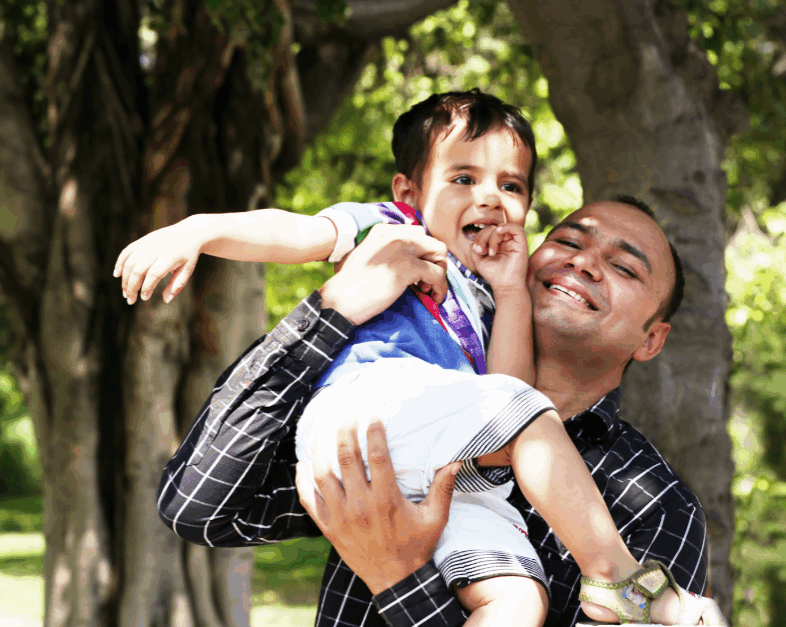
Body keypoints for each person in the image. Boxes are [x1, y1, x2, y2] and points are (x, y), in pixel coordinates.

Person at [116, 98, 723, 624]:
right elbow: (202, 505)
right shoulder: (397, 235)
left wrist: (398, 577)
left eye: (622, 267)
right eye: (568, 241)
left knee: (518, 603)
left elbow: (502, 401)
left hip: (460, 461)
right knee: (526, 414)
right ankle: (616, 576)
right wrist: (317, 299)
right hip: (372, 412)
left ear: (652, 339)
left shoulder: (656, 506)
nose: (585, 263)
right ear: (409, 191)